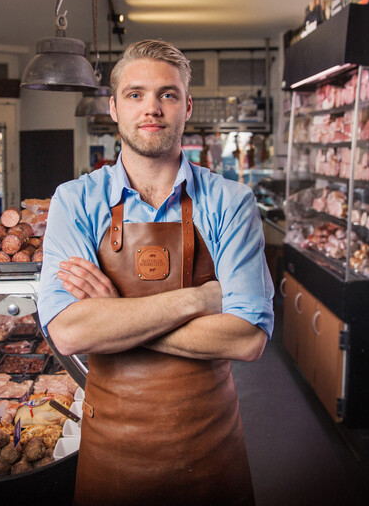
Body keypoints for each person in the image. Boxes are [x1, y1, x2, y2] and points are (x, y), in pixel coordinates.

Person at [37, 39, 274, 506]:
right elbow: (67, 333)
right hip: (112, 454)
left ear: (186, 106)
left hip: (211, 449)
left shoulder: (231, 201)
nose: (152, 108)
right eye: (135, 94)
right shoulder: (74, 200)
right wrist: (200, 299)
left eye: (167, 94)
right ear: (113, 108)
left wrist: (113, 318)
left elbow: (247, 339)